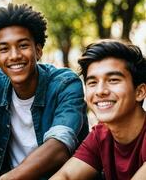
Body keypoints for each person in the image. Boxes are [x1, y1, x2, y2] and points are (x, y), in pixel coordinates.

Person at [0, 3, 89, 180]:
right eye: (4, 49)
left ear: (38, 51)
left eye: (23, 45)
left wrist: (9, 178)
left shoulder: (65, 83)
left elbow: (59, 147)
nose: (14, 55)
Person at [50, 40, 146, 180]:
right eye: (92, 82)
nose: (100, 91)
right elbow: (66, 176)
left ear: (140, 92)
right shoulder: (101, 135)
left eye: (113, 80)